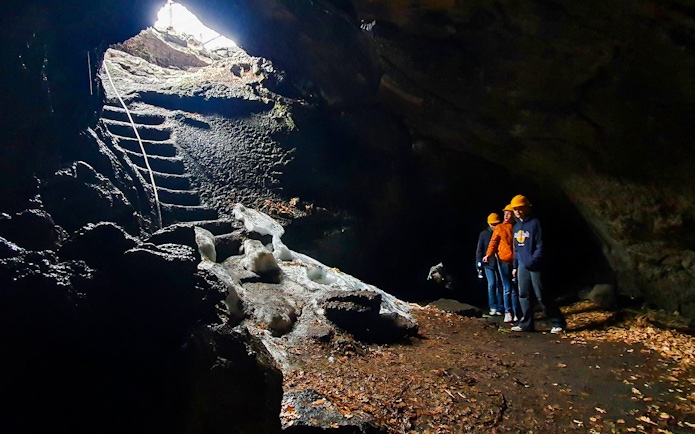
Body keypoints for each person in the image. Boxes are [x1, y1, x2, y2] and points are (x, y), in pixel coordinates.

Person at [509, 195, 566, 334]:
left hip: (536, 265)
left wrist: (533, 261)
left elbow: (541, 246)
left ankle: (558, 322)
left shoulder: (535, 224)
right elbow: (516, 248)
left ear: (527, 208)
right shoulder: (516, 227)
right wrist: (515, 266)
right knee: (523, 294)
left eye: (520, 208)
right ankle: (526, 324)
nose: (517, 211)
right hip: (522, 265)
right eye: (515, 209)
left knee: (541, 295)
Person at [483, 204, 520, 323]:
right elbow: (493, 242)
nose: (506, 216)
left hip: (516, 261)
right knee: (507, 287)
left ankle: (516, 312)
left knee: (515, 288)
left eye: (509, 213)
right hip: (503, 260)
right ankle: (508, 311)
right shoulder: (500, 228)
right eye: (505, 214)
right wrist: (488, 254)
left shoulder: (518, 227)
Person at [476, 213, 503, 316]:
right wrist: (478, 263)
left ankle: (501, 307)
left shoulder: (500, 231)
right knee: (492, 284)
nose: (494, 226)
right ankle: (493, 306)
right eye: (492, 224)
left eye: (496, 224)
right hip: (488, 263)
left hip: (499, 262)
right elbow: (480, 249)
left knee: (500, 285)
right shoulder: (484, 234)